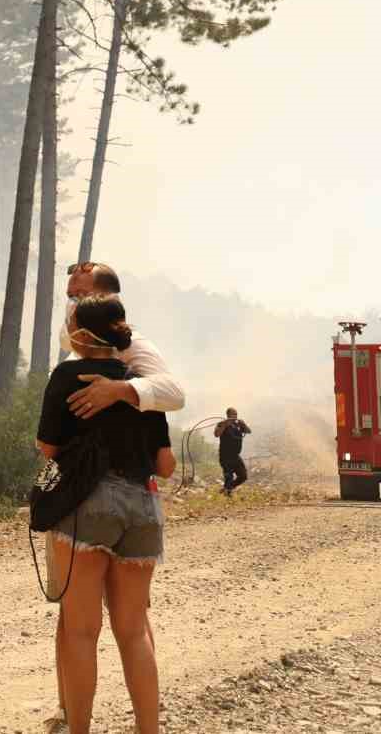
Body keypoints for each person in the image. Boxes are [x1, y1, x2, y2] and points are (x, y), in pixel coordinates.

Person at [38, 294, 175, 734]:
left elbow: (47, 448)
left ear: (80, 334)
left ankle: (79, 729)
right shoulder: (140, 384)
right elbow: (166, 465)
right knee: (133, 631)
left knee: (81, 631)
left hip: (87, 505)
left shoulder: (65, 376)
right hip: (142, 507)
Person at [62, 262, 185, 420]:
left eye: (81, 295)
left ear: (108, 299)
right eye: (70, 296)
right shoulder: (77, 353)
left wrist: (118, 390)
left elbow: (175, 394)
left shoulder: (132, 344)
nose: (72, 304)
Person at [214, 408, 251, 495]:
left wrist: (244, 424)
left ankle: (227, 489)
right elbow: (216, 434)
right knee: (228, 477)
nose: (235, 416)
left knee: (243, 476)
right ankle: (227, 493)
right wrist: (224, 425)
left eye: (236, 414)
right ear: (228, 415)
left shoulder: (238, 425)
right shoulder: (221, 424)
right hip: (225, 456)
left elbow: (249, 431)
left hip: (235, 456)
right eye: (233, 415)